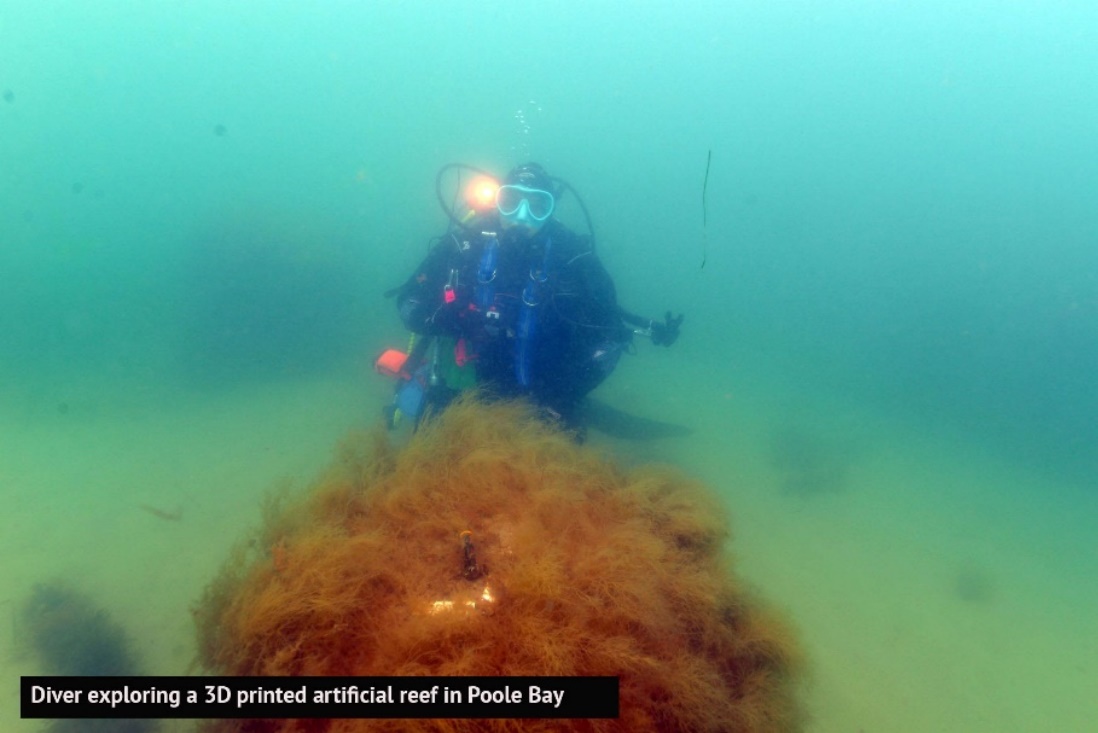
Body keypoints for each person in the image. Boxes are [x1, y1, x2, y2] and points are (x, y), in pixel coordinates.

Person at [384, 162, 682, 434]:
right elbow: (408, 302)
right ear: (497, 201)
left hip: (546, 390)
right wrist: (443, 319)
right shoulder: (464, 245)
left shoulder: (573, 256)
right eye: (511, 202)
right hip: (465, 384)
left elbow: (611, 337)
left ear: (552, 210)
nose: (522, 216)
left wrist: (565, 396)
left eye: (538, 206)